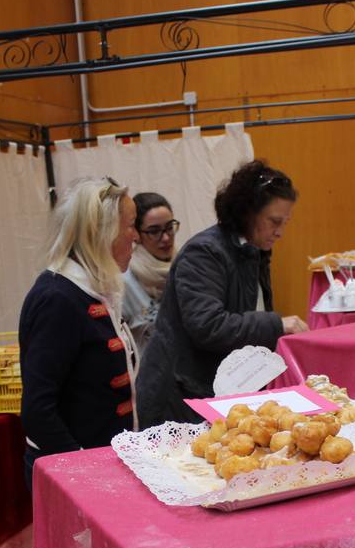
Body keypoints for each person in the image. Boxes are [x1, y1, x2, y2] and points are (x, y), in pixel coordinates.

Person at [137, 160, 309, 427]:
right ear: (247, 212)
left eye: (285, 222)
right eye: (274, 221)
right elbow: (208, 325)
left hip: (208, 387)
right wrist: (276, 324)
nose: (280, 232)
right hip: (178, 395)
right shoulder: (205, 252)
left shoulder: (253, 249)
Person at [18, 177, 139, 488]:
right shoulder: (56, 298)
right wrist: (85, 471)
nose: (136, 236)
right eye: (130, 225)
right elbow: (38, 411)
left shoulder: (97, 289)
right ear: (103, 232)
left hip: (103, 460)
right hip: (71, 471)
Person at [122, 192, 178, 354]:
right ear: (137, 235)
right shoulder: (124, 282)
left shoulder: (186, 267)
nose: (166, 237)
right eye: (154, 231)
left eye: (169, 227)